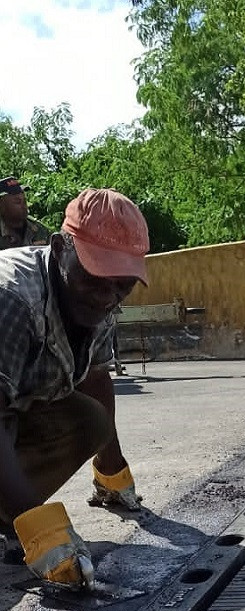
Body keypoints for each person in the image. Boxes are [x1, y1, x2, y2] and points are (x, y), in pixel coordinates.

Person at [0, 188, 149, 590]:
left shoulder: (101, 302)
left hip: (13, 409)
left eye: (123, 285)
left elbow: (96, 379)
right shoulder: (11, 298)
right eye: (96, 276)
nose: (108, 296)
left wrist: (112, 471)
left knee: (88, 419)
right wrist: (39, 529)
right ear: (59, 247)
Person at [0, 176, 51, 250]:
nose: (23, 206)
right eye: (17, 202)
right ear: (2, 205)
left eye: (24, 201)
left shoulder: (39, 229)